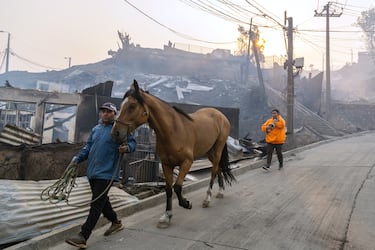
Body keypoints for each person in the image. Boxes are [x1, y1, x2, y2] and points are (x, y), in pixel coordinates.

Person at [65, 102, 136, 249]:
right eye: (103, 111)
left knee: (96, 204)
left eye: (109, 112)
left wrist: (127, 147)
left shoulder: (119, 130)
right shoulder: (96, 129)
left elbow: (132, 143)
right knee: (102, 202)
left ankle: (83, 236)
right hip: (92, 172)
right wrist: (77, 159)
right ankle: (116, 222)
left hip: (107, 173)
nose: (105, 114)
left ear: (114, 114)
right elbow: (88, 147)